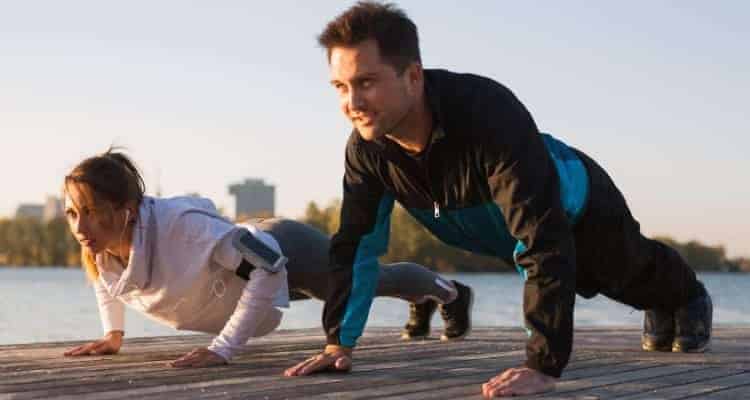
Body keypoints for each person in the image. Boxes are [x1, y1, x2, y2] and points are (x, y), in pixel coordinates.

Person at [283, 2, 713, 398]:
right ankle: (657, 300)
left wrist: (543, 364)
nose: (352, 103)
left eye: (366, 82)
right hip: (495, 231)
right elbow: (357, 247)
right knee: (592, 280)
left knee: (622, 270)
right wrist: (340, 342)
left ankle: (686, 297)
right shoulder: (367, 149)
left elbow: (540, 237)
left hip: (577, 203)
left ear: (413, 76)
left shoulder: (487, 111)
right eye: (340, 86)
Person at [61, 149, 472, 367]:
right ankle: (424, 302)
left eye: (92, 213)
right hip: (240, 280)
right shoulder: (103, 244)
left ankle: (451, 293)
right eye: (73, 213)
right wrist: (113, 335)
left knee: (373, 282)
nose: (81, 227)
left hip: (282, 248)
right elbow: (107, 281)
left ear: (125, 210)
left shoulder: (184, 229)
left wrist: (223, 349)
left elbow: (269, 264)